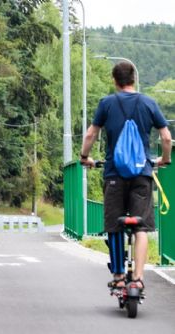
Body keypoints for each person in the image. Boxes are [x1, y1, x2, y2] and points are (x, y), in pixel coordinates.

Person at [80, 61, 172, 291]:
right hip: (142, 174)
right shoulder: (148, 102)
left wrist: (84, 157)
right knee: (140, 228)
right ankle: (139, 278)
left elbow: (91, 133)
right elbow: (166, 137)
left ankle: (120, 276)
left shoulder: (107, 103)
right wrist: (165, 159)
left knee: (114, 226)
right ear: (134, 79)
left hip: (114, 174)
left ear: (114, 80)